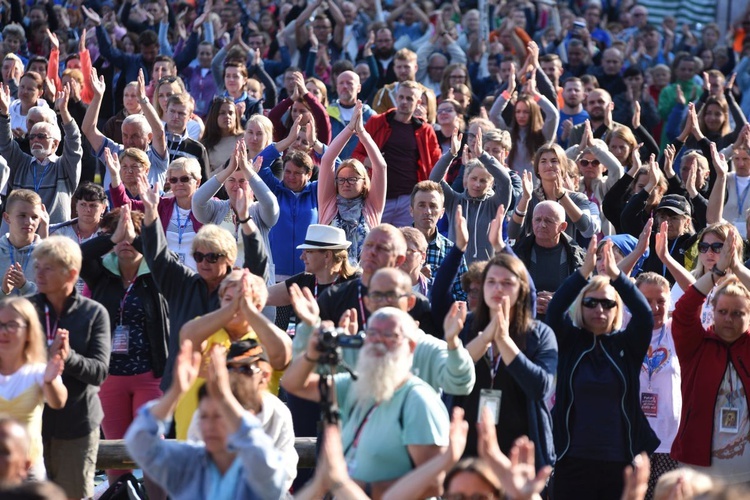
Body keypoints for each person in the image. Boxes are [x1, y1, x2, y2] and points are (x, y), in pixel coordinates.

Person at [281, 307, 450, 499]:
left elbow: (434, 484)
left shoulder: (418, 401)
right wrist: (312, 353)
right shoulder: (359, 386)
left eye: (389, 335)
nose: (377, 341)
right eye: (371, 334)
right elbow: (293, 384)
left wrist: (360, 489)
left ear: (410, 346)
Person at [546, 237, 659, 499]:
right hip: (571, 459)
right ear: (581, 307)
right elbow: (554, 311)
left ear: (617, 309)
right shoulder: (570, 342)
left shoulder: (626, 346)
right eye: (591, 302)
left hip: (619, 463)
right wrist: (583, 272)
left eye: (608, 303)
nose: (600, 309)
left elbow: (643, 315)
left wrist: (617, 276)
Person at [124, 340, 288, 500]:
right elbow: (139, 443)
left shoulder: (258, 469)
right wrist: (175, 392)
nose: (209, 426)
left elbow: (267, 465)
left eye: (219, 416)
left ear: (245, 419)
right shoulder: (190, 463)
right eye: (204, 416)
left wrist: (224, 396)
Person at [78, 206, 167, 491]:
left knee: (152, 451)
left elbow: (165, 257)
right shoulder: (100, 274)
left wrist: (135, 236)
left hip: (150, 375)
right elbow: (75, 256)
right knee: (116, 456)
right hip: (111, 377)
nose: (126, 242)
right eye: (120, 237)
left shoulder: (158, 273)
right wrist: (112, 238)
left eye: (133, 236)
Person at [29, 236, 110, 499]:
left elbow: (99, 371)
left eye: (48, 267)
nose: (39, 273)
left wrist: (69, 357)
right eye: (37, 266)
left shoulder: (94, 313)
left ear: (72, 274)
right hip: (30, 423)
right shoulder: (24, 310)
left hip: (76, 427)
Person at [175, 268, 292, 440]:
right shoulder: (205, 328)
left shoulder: (266, 337)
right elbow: (188, 338)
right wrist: (231, 309)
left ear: (259, 306)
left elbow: (283, 353)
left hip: (251, 449)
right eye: (228, 299)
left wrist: (249, 311)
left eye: (244, 300)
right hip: (197, 447)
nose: (235, 305)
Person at [671, 231, 750, 485]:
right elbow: (683, 311)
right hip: (698, 473)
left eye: (738, 313)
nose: (729, 319)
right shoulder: (695, 346)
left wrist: (736, 267)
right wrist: (715, 274)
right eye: (723, 311)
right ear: (712, 311)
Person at [185, 339, 298, 490]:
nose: (238, 376)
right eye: (230, 369)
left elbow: (285, 470)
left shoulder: (278, 413)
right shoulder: (208, 409)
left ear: (265, 375)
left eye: (246, 369)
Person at [353, 79, 442, 227]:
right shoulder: (377, 122)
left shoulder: (425, 130)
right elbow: (356, 155)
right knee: (375, 242)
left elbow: (436, 164)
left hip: (408, 199)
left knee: (406, 244)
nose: (404, 102)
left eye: (409, 98)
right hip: (378, 197)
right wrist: (370, 162)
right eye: (400, 97)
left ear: (418, 102)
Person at [0, 297, 67, 480]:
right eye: (0, 324)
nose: (3, 332)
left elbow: (59, 401)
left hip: (28, 468)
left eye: (12, 325)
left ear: (29, 332)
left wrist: (50, 382)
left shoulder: (38, 370)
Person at [107, 150, 204, 271]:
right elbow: (125, 206)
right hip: (165, 277)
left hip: (198, 279)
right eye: (173, 180)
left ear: (198, 182)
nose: (179, 184)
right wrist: (115, 176)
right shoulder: (161, 205)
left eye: (184, 179)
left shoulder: (209, 208)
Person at [192, 140, 279, 272]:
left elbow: (270, 203)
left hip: (255, 284)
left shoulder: (258, 211)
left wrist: (247, 170)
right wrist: (228, 170)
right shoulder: (217, 209)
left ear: (250, 184)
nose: (236, 185)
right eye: (231, 180)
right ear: (225, 184)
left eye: (242, 181)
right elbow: (197, 201)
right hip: (223, 285)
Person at [429, 128, 512, 264]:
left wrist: (482, 155)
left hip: (485, 270)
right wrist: (451, 154)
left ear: (491, 184)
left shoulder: (495, 204)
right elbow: (434, 180)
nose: (477, 184)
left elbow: (505, 181)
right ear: (466, 179)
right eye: (474, 178)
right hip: (456, 269)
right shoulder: (454, 201)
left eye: (483, 180)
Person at [319, 101, 386, 264]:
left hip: (363, 277)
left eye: (352, 179)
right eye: (341, 179)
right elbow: (327, 160)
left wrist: (362, 133)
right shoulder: (329, 203)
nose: (345, 183)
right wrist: (349, 129)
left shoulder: (372, 206)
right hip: (331, 276)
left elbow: (380, 166)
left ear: (364, 182)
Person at [0, 83, 77, 224]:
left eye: (41, 136)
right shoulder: (21, 163)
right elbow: (5, 144)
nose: (35, 140)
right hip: (21, 235)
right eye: (32, 136)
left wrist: (64, 111)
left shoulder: (64, 166)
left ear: (55, 143)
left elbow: (74, 141)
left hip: (54, 237)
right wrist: (4, 113)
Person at [634, 272, 682, 499]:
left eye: (661, 301)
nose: (654, 307)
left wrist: (666, 258)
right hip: (633, 439)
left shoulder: (677, 331)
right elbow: (613, 282)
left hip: (669, 441)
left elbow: (698, 294)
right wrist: (635, 253)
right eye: (646, 300)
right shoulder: (626, 327)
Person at [83, 67, 168, 187]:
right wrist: (97, 97)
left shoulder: (156, 158)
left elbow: (159, 132)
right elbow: (88, 129)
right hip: (114, 206)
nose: (129, 141)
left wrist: (143, 100)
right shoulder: (114, 152)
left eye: (135, 136)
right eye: (125, 135)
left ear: (149, 137)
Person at [489, 71, 559, 176]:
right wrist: (509, 91)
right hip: (513, 185)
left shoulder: (542, 135)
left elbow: (553, 115)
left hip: (535, 187)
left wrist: (535, 94)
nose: (521, 115)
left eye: (526, 112)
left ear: (533, 113)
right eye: (518, 111)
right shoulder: (508, 134)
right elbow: (494, 114)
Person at [410, 181, 468, 302]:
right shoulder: (396, 245)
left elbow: (464, 296)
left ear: (442, 213)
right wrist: (413, 278)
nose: (427, 211)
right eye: (421, 205)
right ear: (411, 210)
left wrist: (434, 286)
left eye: (433, 206)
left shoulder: (451, 251)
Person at [0, 190, 45, 297]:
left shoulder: (47, 254)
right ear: (7, 218)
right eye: (22, 215)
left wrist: (25, 286)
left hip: (34, 313)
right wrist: (3, 291)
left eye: (34, 217)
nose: (29, 222)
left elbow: (53, 299)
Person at [201, 96, 243, 176]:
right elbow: (205, 178)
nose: (227, 116)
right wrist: (225, 168)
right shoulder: (205, 145)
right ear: (215, 116)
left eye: (231, 113)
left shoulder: (245, 139)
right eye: (222, 113)